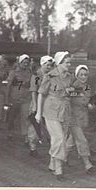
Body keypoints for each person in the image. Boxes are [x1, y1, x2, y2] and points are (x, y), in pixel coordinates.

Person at [35, 51, 74, 180]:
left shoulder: (70, 77)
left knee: (59, 138)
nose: (69, 65)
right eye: (66, 62)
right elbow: (41, 93)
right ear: (59, 63)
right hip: (51, 110)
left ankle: (52, 163)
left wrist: (71, 92)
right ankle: (59, 169)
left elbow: (76, 91)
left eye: (69, 62)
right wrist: (39, 113)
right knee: (59, 138)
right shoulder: (49, 76)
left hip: (65, 110)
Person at [66, 65, 95, 174]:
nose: (83, 77)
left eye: (85, 75)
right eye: (81, 75)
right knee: (82, 140)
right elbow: (71, 100)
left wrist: (90, 105)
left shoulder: (87, 86)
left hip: (83, 116)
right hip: (74, 116)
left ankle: (62, 157)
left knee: (72, 140)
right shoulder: (73, 86)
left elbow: (87, 98)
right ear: (77, 75)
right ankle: (87, 163)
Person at [27, 55, 53, 157]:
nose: (49, 67)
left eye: (50, 65)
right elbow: (34, 90)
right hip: (38, 102)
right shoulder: (37, 76)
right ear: (42, 64)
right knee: (35, 125)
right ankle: (32, 147)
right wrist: (34, 105)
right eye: (47, 65)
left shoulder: (51, 75)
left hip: (48, 103)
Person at [5, 54, 32, 143]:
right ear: (20, 63)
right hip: (14, 97)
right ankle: (10, 133)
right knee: (12, 117)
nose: (25, 64)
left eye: (27, 63)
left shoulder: (30, 72)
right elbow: (8, 86)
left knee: (25, 117)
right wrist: (7, 99)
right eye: (24, 63)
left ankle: (26, 136)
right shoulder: (14, 72)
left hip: (26, 97)